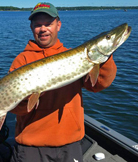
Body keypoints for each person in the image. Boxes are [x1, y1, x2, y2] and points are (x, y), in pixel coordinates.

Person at [9, 2, 117, 162]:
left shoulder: (75, 57)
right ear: (31, 27)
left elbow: (97, 85)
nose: (43, 29)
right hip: (31, 145)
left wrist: (104, 58)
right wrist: (26, 97)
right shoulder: (22, 60)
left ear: (58, 25)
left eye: (48, 24)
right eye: (38, 25)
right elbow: (15, 107)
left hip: (69, 143)